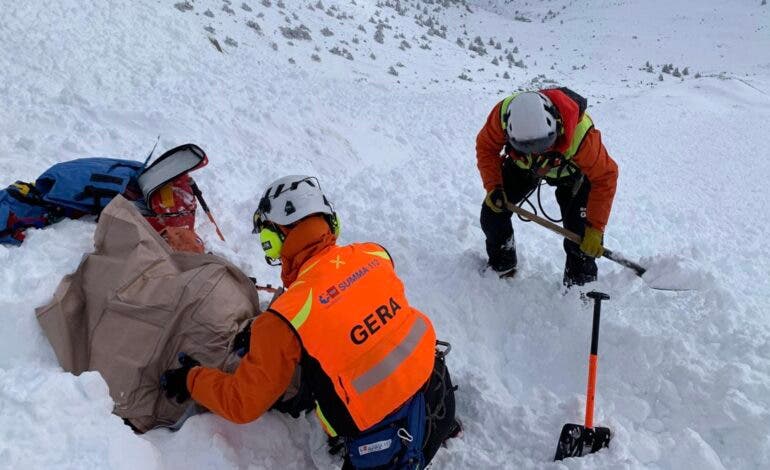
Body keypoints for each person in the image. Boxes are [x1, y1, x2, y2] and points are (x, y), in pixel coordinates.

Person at [161, 175, 459, 469]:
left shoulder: (285, 319)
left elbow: (244, 403)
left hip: (388, 448)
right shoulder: (375, 254)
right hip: (439, 397)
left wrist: (191, 380)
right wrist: (265, 332)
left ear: (275, 239)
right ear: (331, 222)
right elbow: (340, 305)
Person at [476, 87, 619, 286]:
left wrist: (595, 227)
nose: (537, 154)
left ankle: (579, 293)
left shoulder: (581, 134)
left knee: (582, 240)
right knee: (493, 214)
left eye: (543, 146)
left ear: (557, 126)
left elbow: (605, 177)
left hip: (572, 175)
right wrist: (494, 186)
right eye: (528, 148)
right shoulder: (502, 116)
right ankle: (503, 266)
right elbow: (486, 147)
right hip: (522, 167)